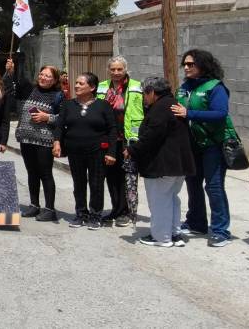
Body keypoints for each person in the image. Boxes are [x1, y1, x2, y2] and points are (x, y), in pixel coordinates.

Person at [172, 49, 232, 247]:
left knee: (213, 187)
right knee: (193, 184)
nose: (187, 67)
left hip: (212, 145)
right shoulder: (184, 87)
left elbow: (220, 113)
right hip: (191, 144)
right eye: (185, 64)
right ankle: (196, 222)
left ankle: (220, 230)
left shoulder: (215, 87)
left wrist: (189, 113)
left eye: (191, 64)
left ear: (203, 65)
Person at [126, 77, 195, 247]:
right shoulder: (172, 104)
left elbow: (151, 136)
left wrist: (132, 150)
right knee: (171, 199)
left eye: (145, 94)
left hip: (163, 165)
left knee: (159, 201)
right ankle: (173, 233)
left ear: (152, 92)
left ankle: (161, 237)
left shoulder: (160, 108)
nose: (144, 98)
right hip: (176, 165)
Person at [53, 72, 118, 230]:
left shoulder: (103, 105)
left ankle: (95, 215)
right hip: (75, 151)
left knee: (96, 184)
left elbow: (112, 130)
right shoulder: (68, 105)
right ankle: (81, 213)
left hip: (97, 151)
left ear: (92, 87)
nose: (76, 86)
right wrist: (57, 143)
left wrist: (111, 152)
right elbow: (60, 126)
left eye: (81, 84)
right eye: (76, 83)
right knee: (79, 183)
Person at [96, 55, 144, 227]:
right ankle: (116, 209)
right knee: (111, 176)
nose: (116, 72)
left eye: (119, 69)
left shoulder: (137, 86)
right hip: (108, 138)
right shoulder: (101, 87)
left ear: (125, 69)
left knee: (127, 177)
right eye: (113, 69)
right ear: (108, 70)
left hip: (128, 139)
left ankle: (126, 211)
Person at [14, 63, 63, 222]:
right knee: (31, 173)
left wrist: (47, 117)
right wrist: (10, 70)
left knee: (45, 174)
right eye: (42, 74)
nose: (43, 78)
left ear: (54, 79)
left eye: (48, 76)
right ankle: (34, 205)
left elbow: (63, 119)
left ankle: (49, 209)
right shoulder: (30, 90)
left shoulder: (58, 95)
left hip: (44, 141)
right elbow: (12, 89)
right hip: (26, 139)